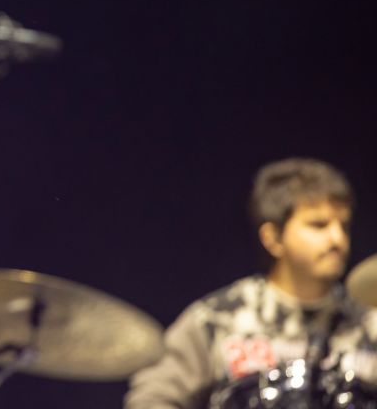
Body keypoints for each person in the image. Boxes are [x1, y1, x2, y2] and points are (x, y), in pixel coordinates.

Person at [125, 157, 377, 408]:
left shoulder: (369, 324)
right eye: (318, 225)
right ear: (273, 238)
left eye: (343, 226)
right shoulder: (216, 319)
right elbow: (151, 399)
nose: (337, 239)